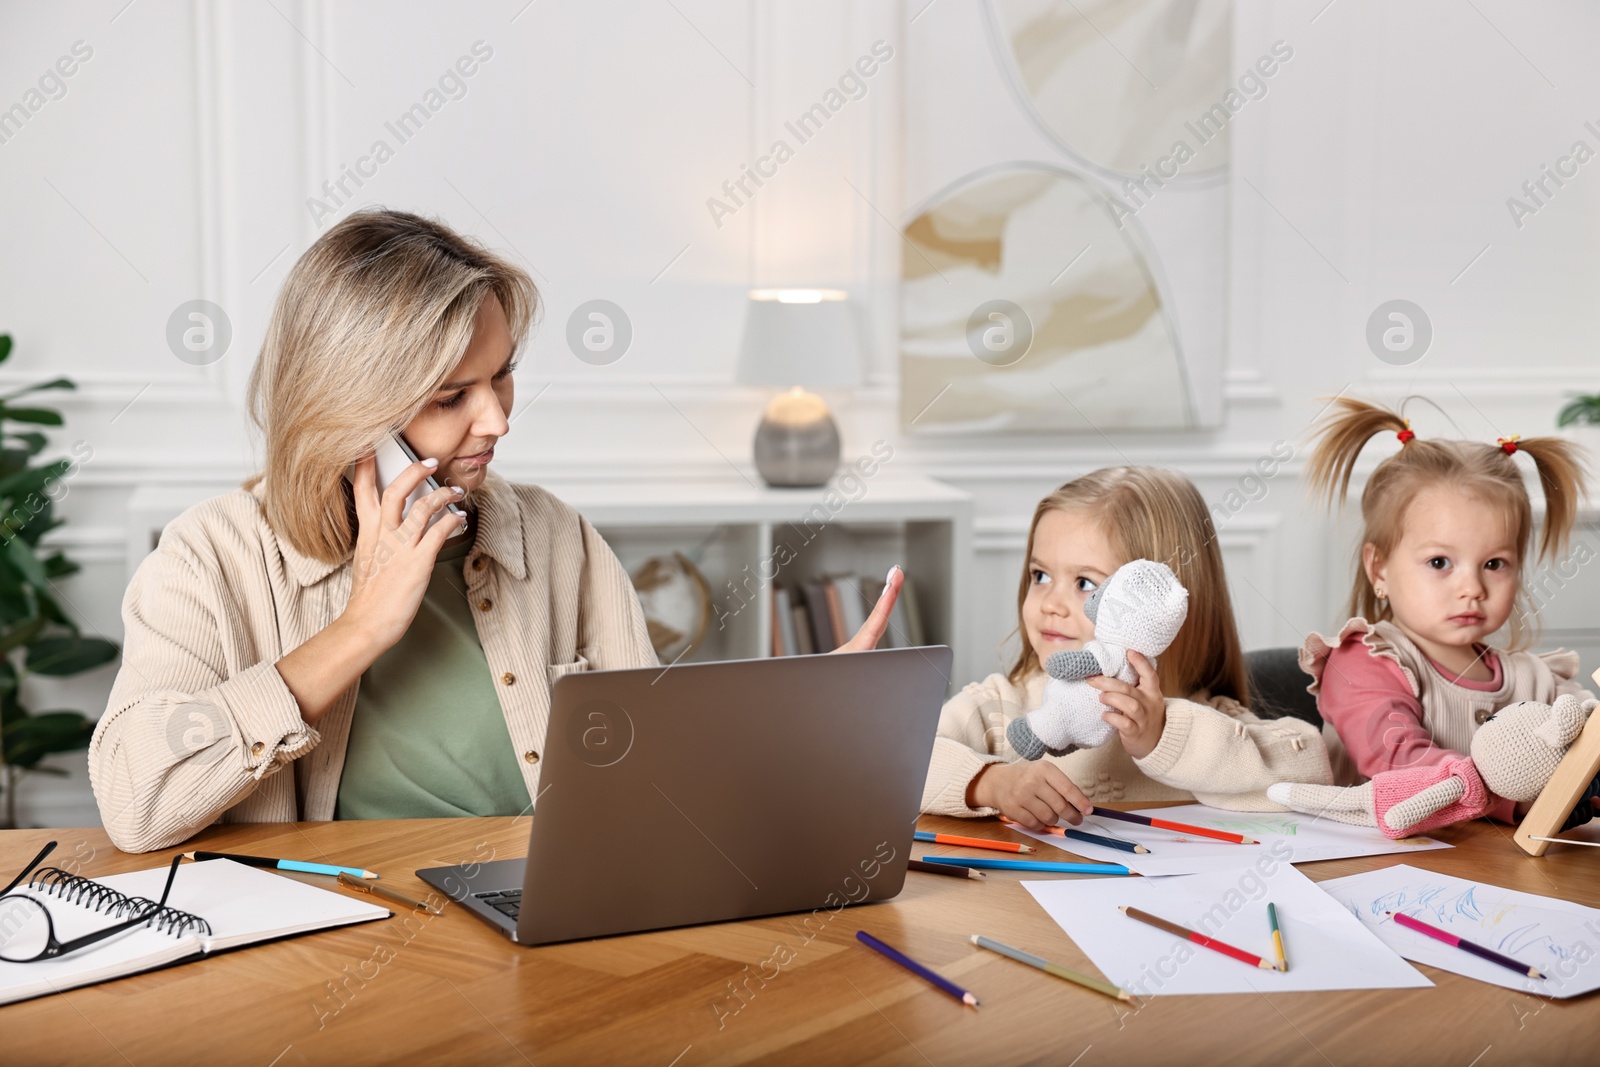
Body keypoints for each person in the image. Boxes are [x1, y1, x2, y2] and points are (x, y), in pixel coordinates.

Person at [89, 209, 899, 853]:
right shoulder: (210, 558)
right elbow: (134, 799)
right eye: (451, 398)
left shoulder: (554, 539)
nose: (497, 419)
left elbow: (659, 773)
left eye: (504, 374)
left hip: (534, 930)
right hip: (327, 951)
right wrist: (361, 628)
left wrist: (791, 714)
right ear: (348, 418)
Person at [921, 466, 1331, 829]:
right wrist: (989, 783)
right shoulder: (1002, 705)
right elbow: (893, 762)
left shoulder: (1207, 718)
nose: (1049, 604)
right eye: (1040, 575)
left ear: (1163, 606)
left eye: (1085, 584)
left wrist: (1164, 736)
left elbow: (1314, 771)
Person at [1300, 396, 1596, 824]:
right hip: (1372, 869)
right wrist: (1520, 801)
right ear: (1378, 568)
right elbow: (1398, 760)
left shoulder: (1536, 679)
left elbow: (1586, 739)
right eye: (1440, 563)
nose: (1472, 588)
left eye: (1494, 564)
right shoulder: (1363, 663)